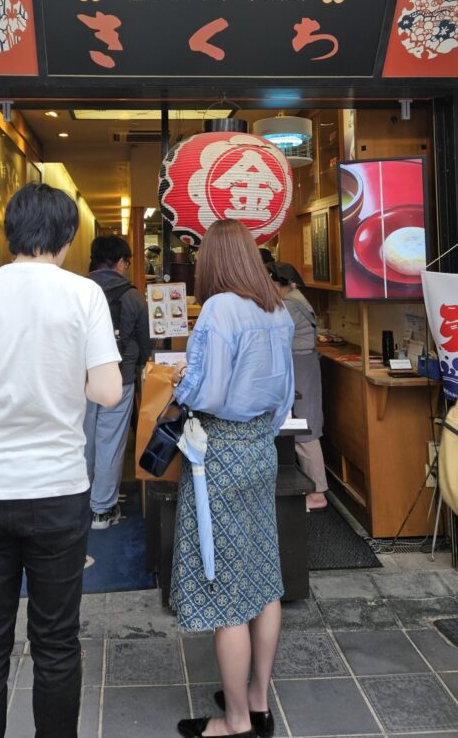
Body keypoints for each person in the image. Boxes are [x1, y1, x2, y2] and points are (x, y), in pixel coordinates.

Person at [0, 183, 122, 738]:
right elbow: (108, 391)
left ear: (9, 231)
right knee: (56, 643)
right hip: (57, 491)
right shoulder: (83, 295)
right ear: (66, 236)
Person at [169, 220, 295, 738]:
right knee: (263, 579)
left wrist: (183, 384)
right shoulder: (277, 309)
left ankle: (236, 721)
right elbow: (284, 396)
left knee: (226, 591)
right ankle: (258, 702)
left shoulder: (220, 308)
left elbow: (210, 394)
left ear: (213, 262)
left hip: (218, 457)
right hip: (261, 449)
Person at [85, 234, 153, 529]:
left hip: (81, 378)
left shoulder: (77, 290)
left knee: (82, 440)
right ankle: (101, 510)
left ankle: (79, 504)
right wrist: (138, 366)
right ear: (121, 262)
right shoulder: (133, 296)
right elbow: (146, 341)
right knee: (110, 442)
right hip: (119, 379)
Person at [269, 262, 328, 511]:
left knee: (305, 429)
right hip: (303, 364)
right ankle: (314, 488)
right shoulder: (294, 297)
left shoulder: (289, 304)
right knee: (303, 425)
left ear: (278, 283)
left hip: (301, 365)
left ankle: (318, 493)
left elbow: (274, 335)